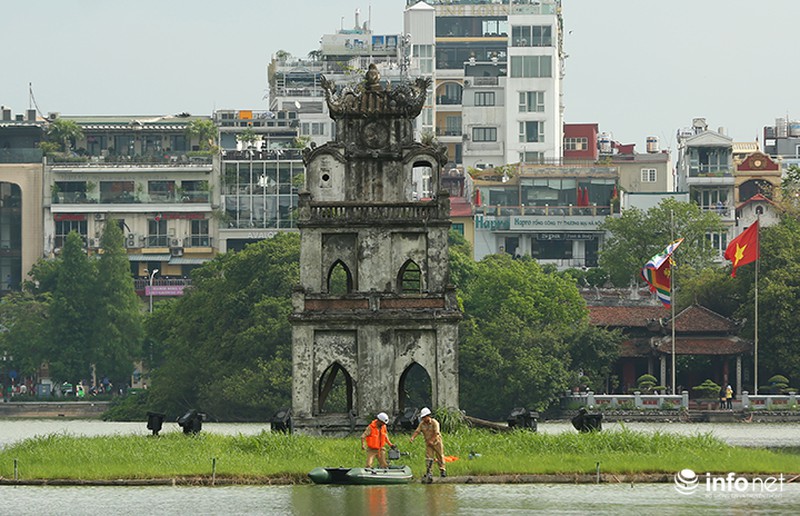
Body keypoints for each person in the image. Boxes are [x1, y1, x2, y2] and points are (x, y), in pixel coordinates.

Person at [410, 407, 446, 478]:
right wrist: (413, 437)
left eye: (424, 417)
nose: (423, 419)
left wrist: (432, 441)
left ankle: (442, 470)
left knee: (440, 456)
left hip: (436, 442)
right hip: (428, 443)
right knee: (429, 457)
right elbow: (417, 431)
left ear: (428, 416)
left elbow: (436, 433)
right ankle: (429, 472)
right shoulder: (422, 424)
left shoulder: (434, 423)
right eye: (422, 417)